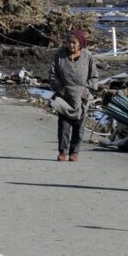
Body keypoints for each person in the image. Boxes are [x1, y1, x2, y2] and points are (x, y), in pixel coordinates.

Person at [48, 30, 98, 162]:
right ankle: (63, 151)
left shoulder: (88, 56)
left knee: (79, 126)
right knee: (64, 126)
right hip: (64, 95)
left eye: (74, 43)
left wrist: (87, 91)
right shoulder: (60, 55)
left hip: (82, 96)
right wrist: (60, 88)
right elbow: (53, 75)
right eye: (69, 43)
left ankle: (74, 152)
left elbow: (94, 77)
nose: (71, 45)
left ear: (80, 43)